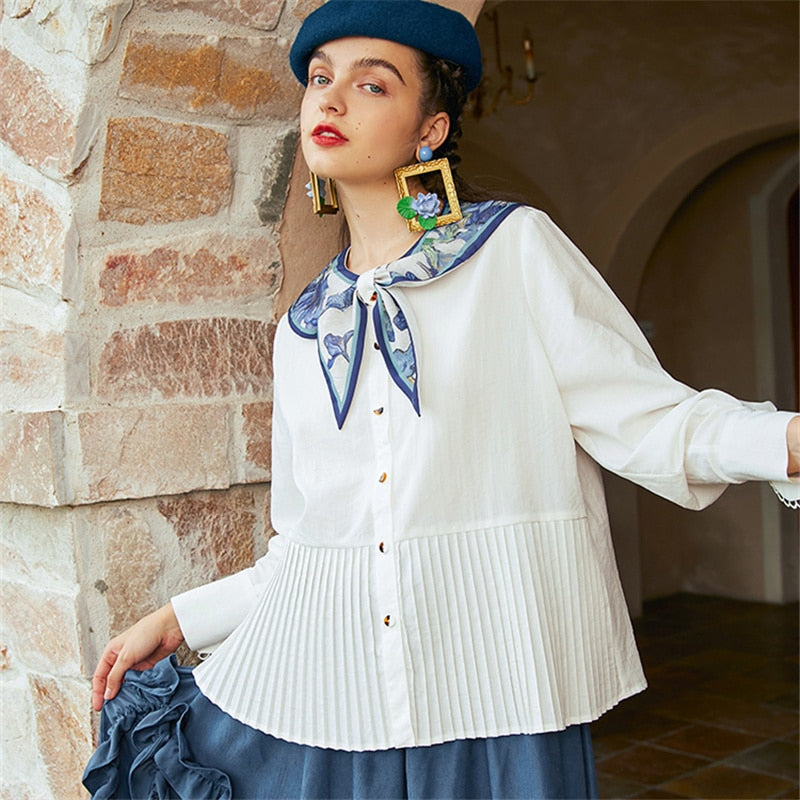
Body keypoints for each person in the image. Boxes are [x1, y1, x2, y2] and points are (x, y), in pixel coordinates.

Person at [83, 1, 800, 798]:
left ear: (430, 129)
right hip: (334, 718)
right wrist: (181, 619)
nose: (331, 99)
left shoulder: (513, 252)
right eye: (320, 79)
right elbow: (309, 542)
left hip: (500, 704)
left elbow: (650, 422)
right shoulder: (304, 329)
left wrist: (784, 442)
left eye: (372, 85)